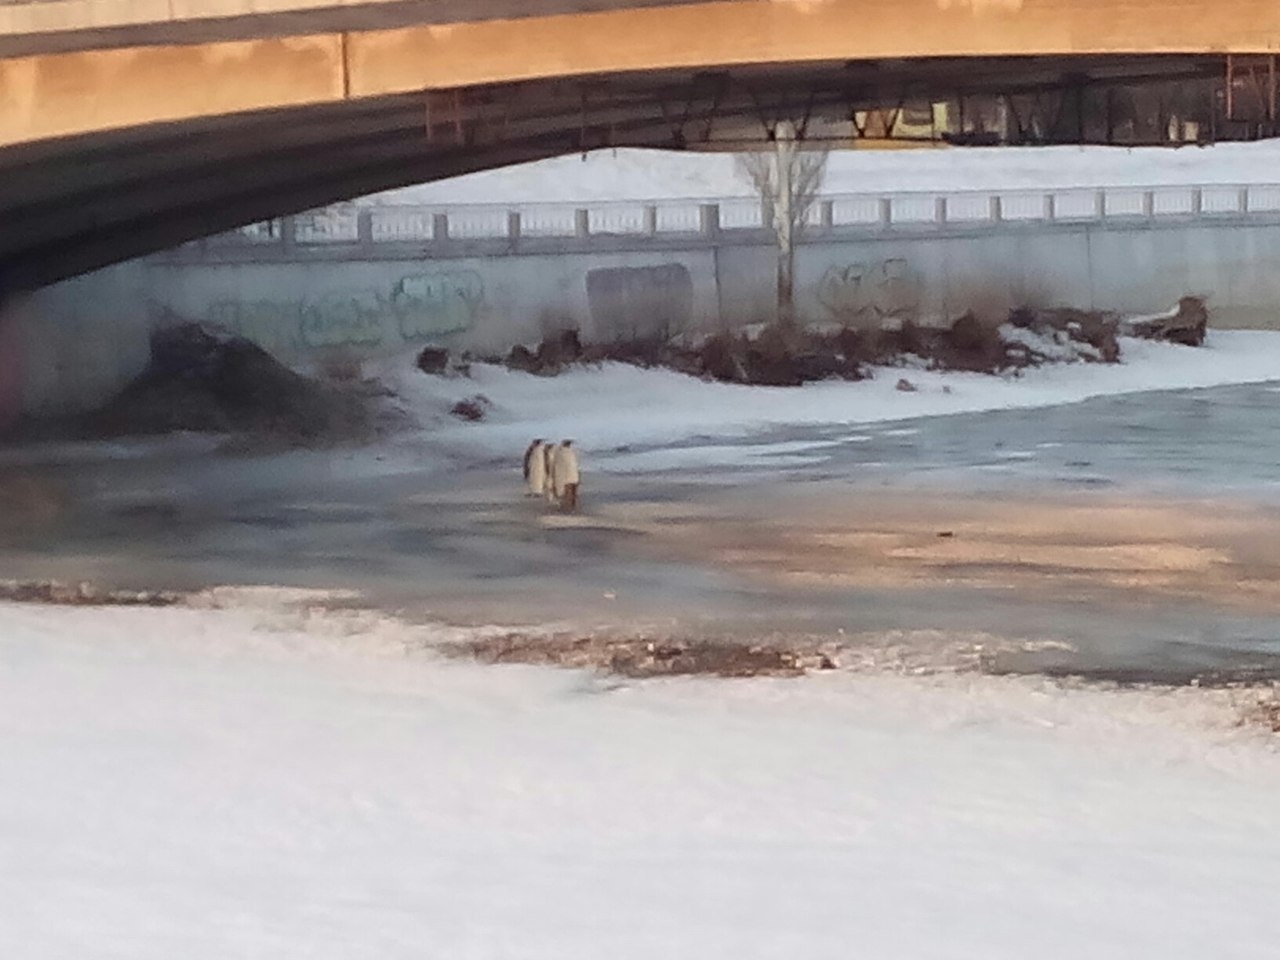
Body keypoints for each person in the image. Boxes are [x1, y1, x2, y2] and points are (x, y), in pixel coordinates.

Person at [553, 439, 580, 511]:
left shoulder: (560, 451)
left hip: (567, 475)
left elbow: (557, 464)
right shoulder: (571, 452)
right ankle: (571, 507)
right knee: (572, 492)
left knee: (567, 492)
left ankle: (567, 507)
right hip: (572, 474)